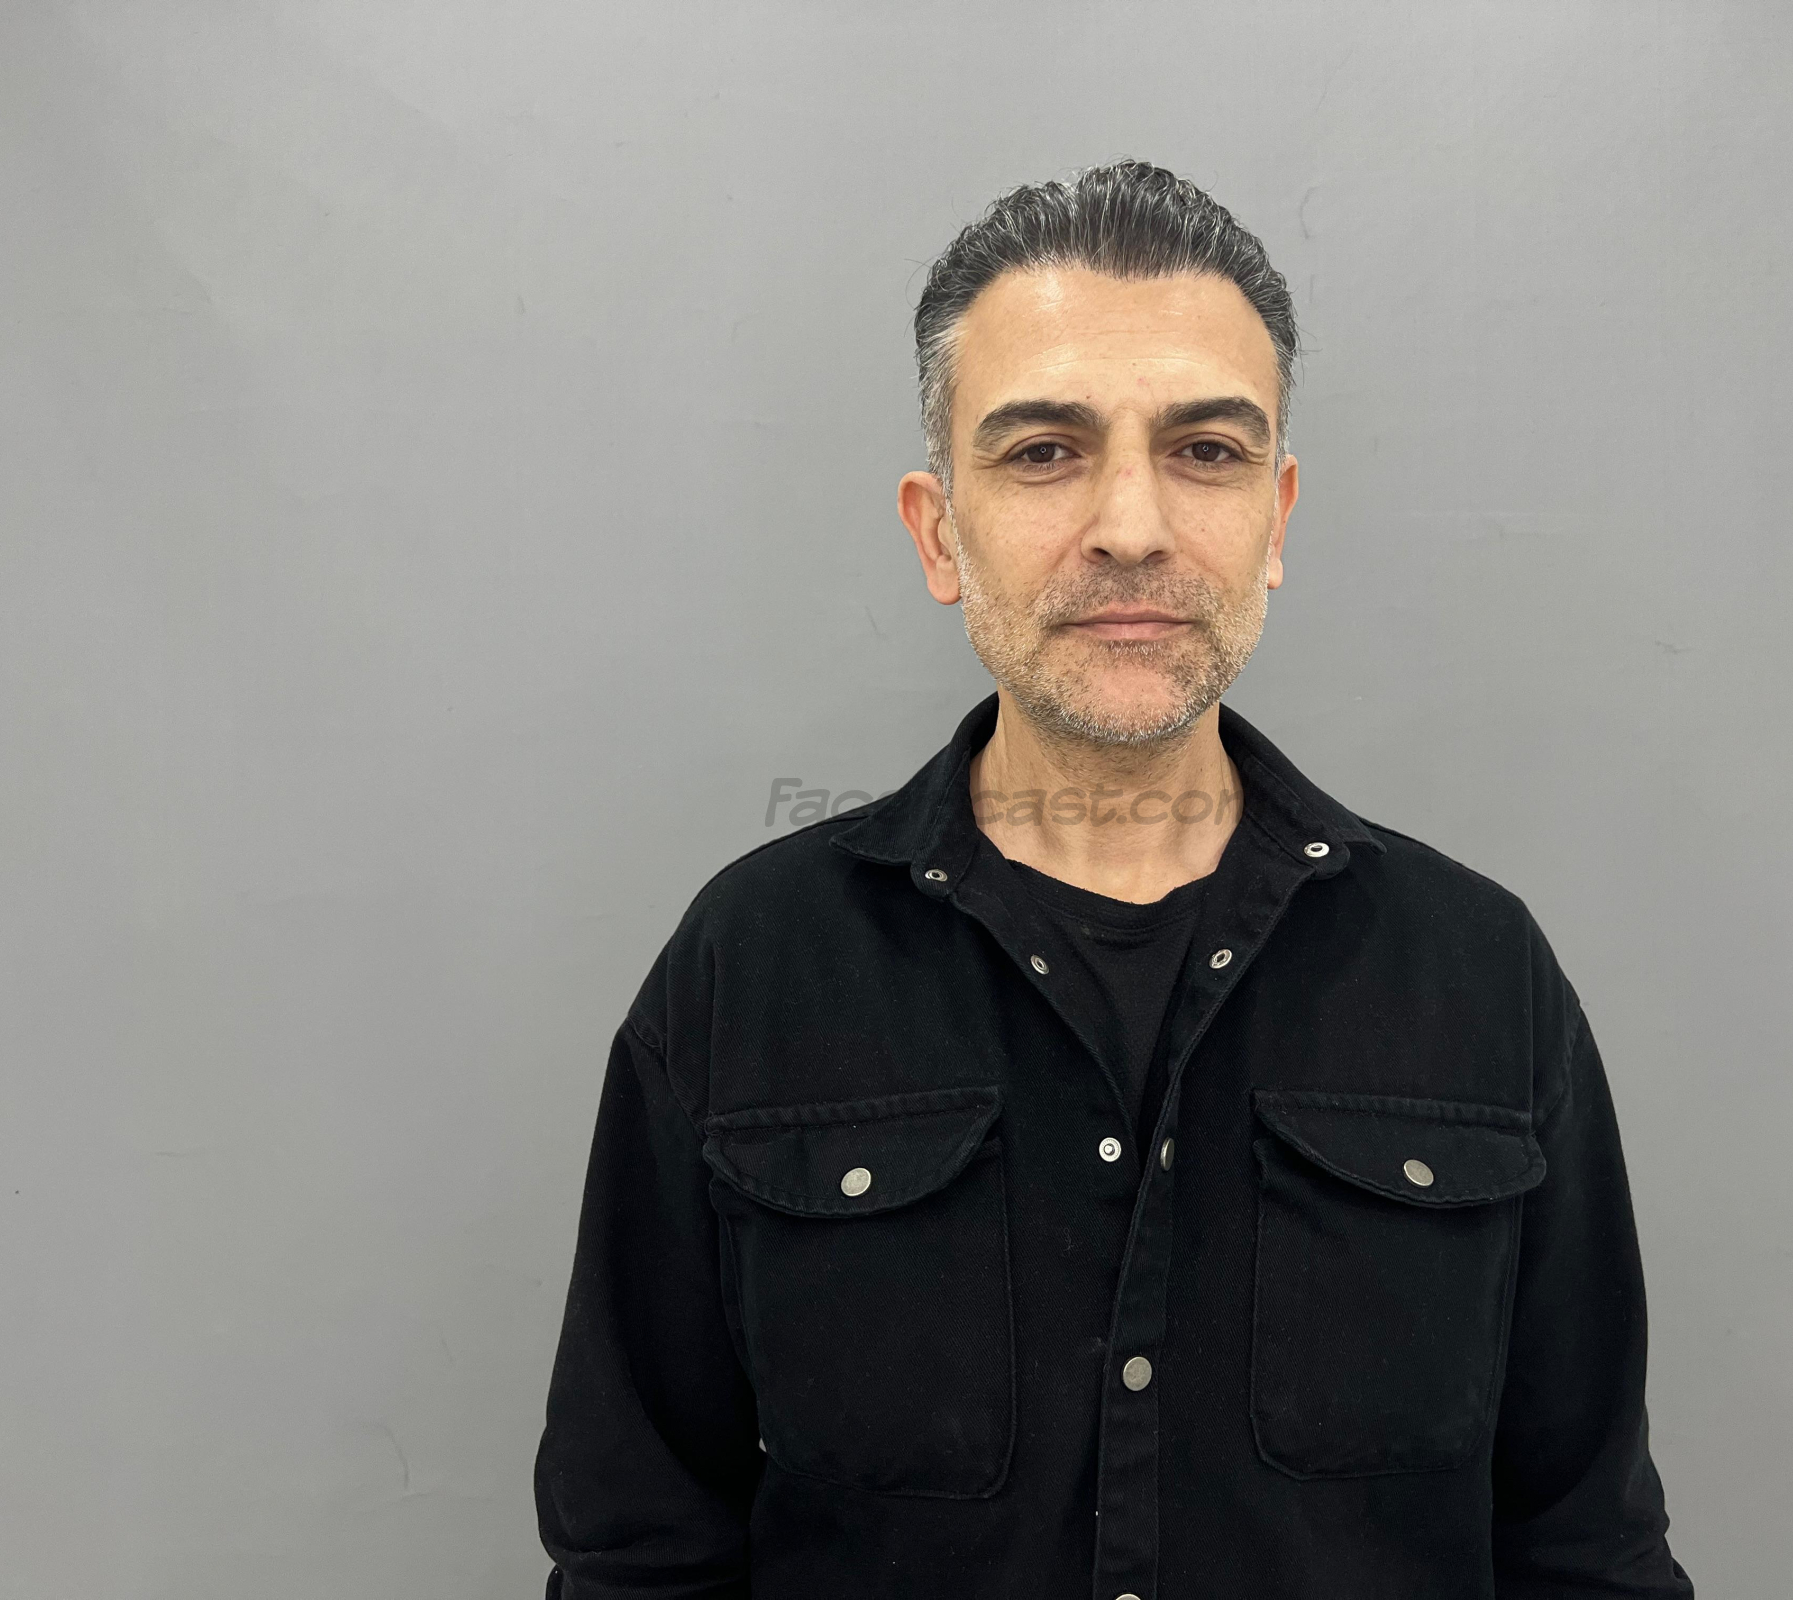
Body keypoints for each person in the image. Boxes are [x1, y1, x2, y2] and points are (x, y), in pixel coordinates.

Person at [534, 158, 1693, 1599]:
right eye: (1043, 452)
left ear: (1277, 520)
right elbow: (640, 1548)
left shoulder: (1477, 974)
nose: (1132, 526)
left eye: (1204, 450)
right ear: (937, 531)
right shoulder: (751, 964)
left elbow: (1586, 1552)